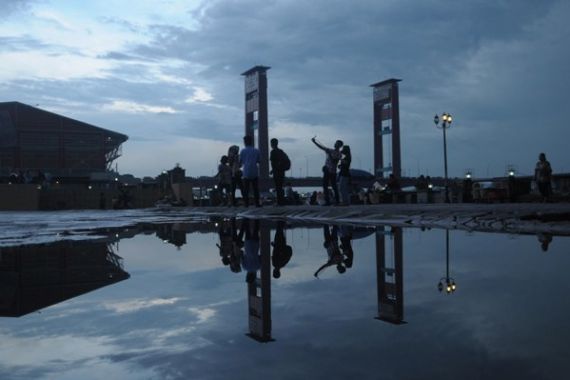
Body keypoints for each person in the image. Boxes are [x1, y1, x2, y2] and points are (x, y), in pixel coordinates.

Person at [311, 136, 343, 205]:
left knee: (333, 186)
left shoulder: (339, 154)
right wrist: (314, 142)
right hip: (327, 170)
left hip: (332, 171)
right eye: (335, 143)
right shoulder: (330, 150)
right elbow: (321, 147)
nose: (335, 144)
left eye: (337, 143)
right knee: (325, 186)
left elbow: (334, 161)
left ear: (339, 146)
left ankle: (337, 201)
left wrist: (329, 154)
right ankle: (327, 201)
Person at [239, 135, 261, 207]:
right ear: (251, 141)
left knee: (246, 189)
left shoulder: (243, 151)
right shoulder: (256, 150)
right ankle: (257, 203)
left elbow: (240, 162)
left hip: (246, 171)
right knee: (255, 188)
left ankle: (246, 203)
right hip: (254, 170)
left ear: (245, 142)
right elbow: (259, 161)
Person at [269, 138, 290, 206]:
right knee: (280, 187)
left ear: (272, 144)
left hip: (277, 172)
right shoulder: (281, 151)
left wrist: (272, 170)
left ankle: (279, 202)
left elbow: (273, 163)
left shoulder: (273, 152)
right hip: (282, 171)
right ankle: (282, 201)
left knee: (278, 187)